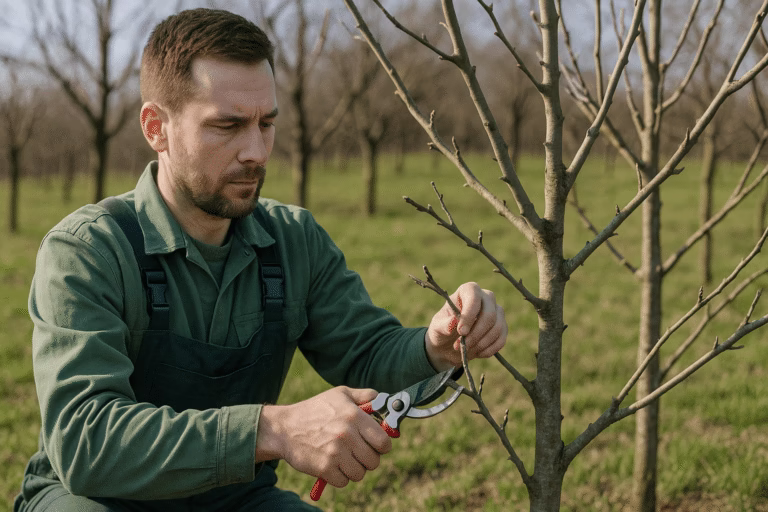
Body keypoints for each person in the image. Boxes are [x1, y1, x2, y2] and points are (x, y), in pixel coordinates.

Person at [13, 8, 507, 512]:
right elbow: (84, 441)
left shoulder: (293, 241)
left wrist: (437, 345)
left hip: (236, 499)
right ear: (156, 127)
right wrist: (272, 430)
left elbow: (368, 355)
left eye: (266, 123)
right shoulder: (88, 251)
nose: (256, 151)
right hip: (96, 498)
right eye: (227, 126)